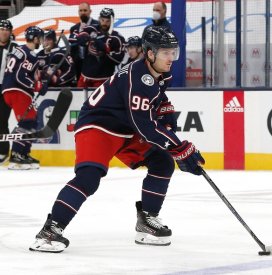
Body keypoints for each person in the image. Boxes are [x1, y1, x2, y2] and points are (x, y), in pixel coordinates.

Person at [29, 26, 205, 253]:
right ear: (149, 53)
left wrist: (165, 111)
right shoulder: (139, 78)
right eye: (165, 53)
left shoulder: (160, 72)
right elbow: (144, 124)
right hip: (98, 125)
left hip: (124, 128)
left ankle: (147, 220)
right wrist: (179, 147)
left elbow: (155, 101)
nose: (171, 58)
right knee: (89, 177)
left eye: (174, 52)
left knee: (162, 161)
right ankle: (50, 230)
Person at [1, 26, 47, 170]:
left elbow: (26, 74)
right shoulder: (29, 54)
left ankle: (24, 153)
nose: (41, 41)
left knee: (32, 119)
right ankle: (16, 155)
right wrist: (36, 85)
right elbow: (19, 75)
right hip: (17, 90)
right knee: (27, 121)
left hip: (10, 90)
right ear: (34, 38)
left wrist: (40, 82)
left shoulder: (21, 50)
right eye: (39, 38)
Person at [76, 8, 125, 88]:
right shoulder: (92, 29)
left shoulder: (117, 37)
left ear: (112, 21)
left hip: (103, 80)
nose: (104, 23)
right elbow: (81, 34)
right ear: (99, 19)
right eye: (102, 20)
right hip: (85, 77)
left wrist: (105, 48)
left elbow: (118, 59)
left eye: (107, 21)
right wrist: (82, 38)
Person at [0, 19, 18, 165]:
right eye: (1, 29)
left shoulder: (15, 48)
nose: (4, 31)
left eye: (7, 29)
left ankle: (3, 151)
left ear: (10, 32)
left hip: (6, 89)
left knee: (1, 120)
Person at [69, 2, 99, 81]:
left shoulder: (97, 25)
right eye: (81, 10)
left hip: (93, 63)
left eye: (85, 10)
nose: (83, 13)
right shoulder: (74, 28)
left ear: (90, 11)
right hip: (78, 64)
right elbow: (72, 44)